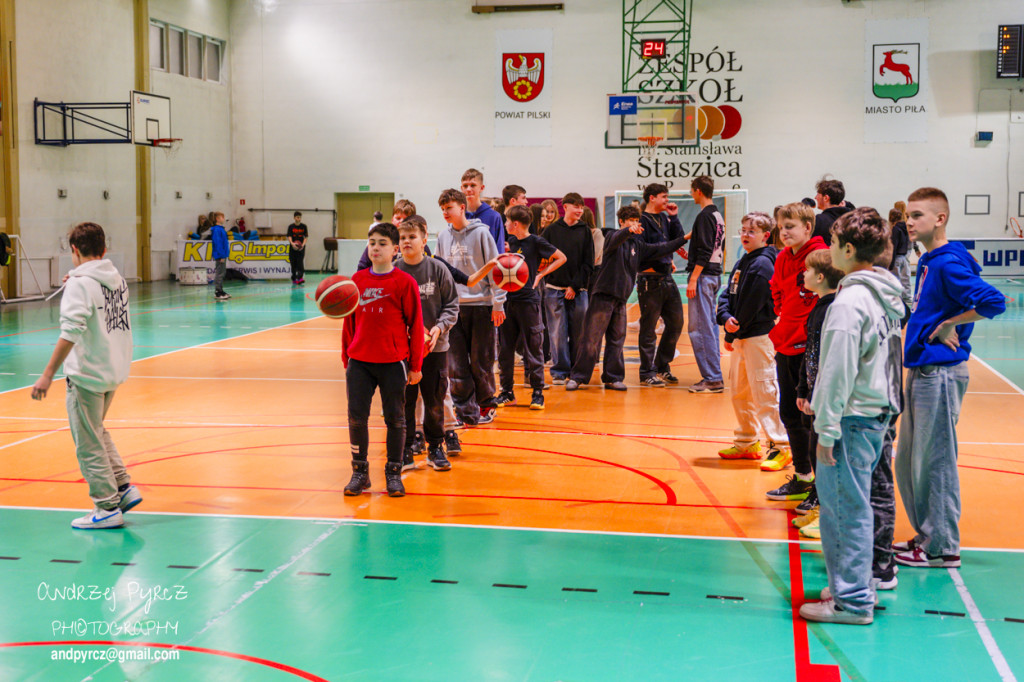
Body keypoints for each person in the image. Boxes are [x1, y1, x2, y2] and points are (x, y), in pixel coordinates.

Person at [799, 207, 904, 625]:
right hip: (876, 414)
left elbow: (836, 372)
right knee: (856, 506)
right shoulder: (885, 295)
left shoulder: (849, 303)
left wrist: (825, 430)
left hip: (851, 420)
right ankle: (855, 582)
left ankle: (853, 600)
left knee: (844, 510)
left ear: (846, 248)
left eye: (832, 243)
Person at [893, 187, 1006, 569]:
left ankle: (941, 545)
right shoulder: (930, 260)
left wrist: (948, 324)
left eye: (918, 215)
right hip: (924, 369)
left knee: (936, 460)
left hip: (939, 372)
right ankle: (927, 535)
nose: (909, 221)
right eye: (908, 214)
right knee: (911, 460)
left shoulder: (946, 262)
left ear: (940, 219)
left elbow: (994, 301)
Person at [31, 222, 139, 529]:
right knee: (96, 430)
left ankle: (106, 507)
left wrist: (47, 374)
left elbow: (70, 332)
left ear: (74, 250)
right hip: (112, 370)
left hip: (88, 374)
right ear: (104, 250)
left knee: (88, 441)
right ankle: (123, 488)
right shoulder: (116, 279)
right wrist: (76, 279)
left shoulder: (80, 283)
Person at [342, 222, 424, 497]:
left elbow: (416, 324)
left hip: (393, 363)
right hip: (360, 363)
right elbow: (348, 323)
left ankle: (393, 472)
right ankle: (360, 472)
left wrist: (415, 366)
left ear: (395, 250)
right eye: (372, 242)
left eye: (382, 243)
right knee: (356, 418)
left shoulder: (404, 282)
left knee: (396, 419)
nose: (375, 248)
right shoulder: (357, 280)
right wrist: (347, 358)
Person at [568, 205, 687, 391]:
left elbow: (661, 247)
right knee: (591, 339)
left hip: (620, 300)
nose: (634, 224)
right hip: (603, 297)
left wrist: (683, 239)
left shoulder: (637, 245)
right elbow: (617, 237)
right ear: (622, 222)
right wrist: (628, 230)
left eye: (635, 221)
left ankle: (613, 377)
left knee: (617, 340)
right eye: (630, 220)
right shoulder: (612, 238)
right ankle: (578, 377)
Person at [715, 212, 787, 460]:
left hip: (758, 337)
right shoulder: (743, 261)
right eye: (743, 230)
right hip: (742, 336)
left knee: (765, 392)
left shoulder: (764, 264)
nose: (745, 235)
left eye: (752, 231)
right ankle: (747, 441)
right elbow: (727, 294)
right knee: (740, 392)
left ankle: (781, 446)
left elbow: (750, 304)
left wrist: (733, 330)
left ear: (766, 236)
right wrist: (725, 316)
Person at [478, 205, 565, 410]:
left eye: (507, 221)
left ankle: (537, 393)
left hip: (529, 302)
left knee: (533, 348)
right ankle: (507, 392)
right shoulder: (510, 243)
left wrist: (541, 274)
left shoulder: (536, 241)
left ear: (515, 224)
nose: (505, 224)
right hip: (508, 302)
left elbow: (562, 257)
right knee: (505, 349)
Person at [764, 203, 828, 480]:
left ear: (807, 227)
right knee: (789, 412)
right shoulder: (781, 258)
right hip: (784, 343)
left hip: (810, 348)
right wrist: (782, 313)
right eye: (780, 228)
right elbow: (775, 288)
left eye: (789, 227)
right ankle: (803, 477)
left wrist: (804, 325)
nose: (784, 232)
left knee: (811, 417)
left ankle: (820, 486)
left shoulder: (819, 257)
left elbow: (822, 299)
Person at [436, 188, 505, 426]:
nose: (445, 212)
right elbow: (440, 274)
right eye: (442, 209)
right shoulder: (442, 237)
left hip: (482, 305)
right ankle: (465, 409)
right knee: (456, 364)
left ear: (462, 207)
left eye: (449, 208)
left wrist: (498, 303)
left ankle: (486, 404)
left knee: (481, 360)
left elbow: (496, 269)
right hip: (454, 308)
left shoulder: (482, 234)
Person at [396, 216, 458, 472]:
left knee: (433, 399)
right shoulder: (395, 271)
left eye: (412, 237)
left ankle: (435, 447)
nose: (407, 241)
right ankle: (407, 449)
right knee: (404, 401)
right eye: (403, 238)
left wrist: (439, 327)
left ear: (424, 240)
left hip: (435, 348)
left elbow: (452, 306)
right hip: (401, 351)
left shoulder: (438, 269)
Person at [789, 249, 843, 526]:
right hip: (812, 392)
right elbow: (808, 352)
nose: (803, 274)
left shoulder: (833, 309)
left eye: (807, 271)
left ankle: (826, 509)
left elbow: (825, 357)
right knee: (813, 448)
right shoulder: (818, 307)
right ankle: (818, 499)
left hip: (824, 396)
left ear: (820, 277)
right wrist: (801, 389)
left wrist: (814, 393)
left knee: (823, 451)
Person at [636, 183, 686, 387]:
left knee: (676, 323)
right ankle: (647, 372)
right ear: (651, 198)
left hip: (667, 278)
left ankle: (662, 365)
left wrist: (674, 218)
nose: (667, 200)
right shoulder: (641, 220)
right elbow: (647, 250)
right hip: (649, 280)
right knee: (649, 328)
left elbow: (678, 239)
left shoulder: (665, 218)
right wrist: (674, 245)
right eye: (664, 197)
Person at [541, 193, 594, 385]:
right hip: (554, 289)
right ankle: (559, 371)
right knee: (557, 332)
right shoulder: (551, 231)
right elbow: (542, 257)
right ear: (565, 207)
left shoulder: (585, 231)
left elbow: (588, 263)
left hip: (578, 291)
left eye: (582, 207)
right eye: (576, 206)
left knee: (579, 332)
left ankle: (575, 370)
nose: (580, 210)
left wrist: (574, 286)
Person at [685, 175, 726, 393]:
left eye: (692, 191)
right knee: (708, 326)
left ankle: (712, 378)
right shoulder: (717, 215)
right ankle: (714, 375)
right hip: (714, 274)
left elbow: (705, 250)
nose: (691, 194)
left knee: (699, 328)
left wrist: (693, 278)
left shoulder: (704, 216)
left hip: (703, 276)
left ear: (698, 190)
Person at [461, 168, 506, 249]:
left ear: (481, 188)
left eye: (473, 185)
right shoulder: (458, 215)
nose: (468, 189)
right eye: (465, 186)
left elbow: (499, 248)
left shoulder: (494, 216)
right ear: (461, 188)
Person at [887, 203, 912, 320]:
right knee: (906, 277)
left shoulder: (896, 229)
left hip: (897, 257)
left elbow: (894, 246)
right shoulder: (906, 227)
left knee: (895, 278)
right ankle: (907, 297)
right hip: (904, 256)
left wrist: (890, 262)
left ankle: (897, 297)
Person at [812, 178, 852, 242]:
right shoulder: (851, 220)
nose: (815, 197)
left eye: (817, 194)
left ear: (826, 198)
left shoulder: (819, 221)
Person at [210, 212, 230, 301]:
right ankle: (218, 292)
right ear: (218, 219)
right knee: (219, 273)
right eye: (222, 217)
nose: (224, 219)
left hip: (223, 254)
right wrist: (221, 255)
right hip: (220, 255)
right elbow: (218, 243)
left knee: (222, 272)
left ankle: (221, 290)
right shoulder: (217, 230)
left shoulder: (221, 229)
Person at [287, 211, 308, 285]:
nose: (298, 219)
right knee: (293, 263)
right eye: (297, 217)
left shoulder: (304, 226)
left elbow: (306, 237)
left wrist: (303, 244)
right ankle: (294, 278)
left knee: (300, 262)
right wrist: (292, 243)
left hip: (301, 247)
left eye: (299, 217)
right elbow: (289, 236)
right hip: (293, 247)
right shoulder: (291, 227)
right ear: (294, 218)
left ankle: (300, 278)